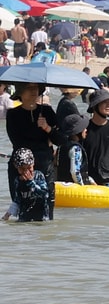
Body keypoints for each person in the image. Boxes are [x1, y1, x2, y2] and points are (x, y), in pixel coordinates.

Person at [8, 83, 63, 221]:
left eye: (36, 87)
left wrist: (47, 128)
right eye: (29, 87)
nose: (34, 90)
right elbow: (16, 142)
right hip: (21, 166)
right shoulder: (13, 114)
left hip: (45, 165)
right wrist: (25, 169)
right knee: (22, 210)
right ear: (20, 92)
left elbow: (61, 140)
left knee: (47, 210)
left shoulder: (47, 111)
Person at [3, 149, 50, 222]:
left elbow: (45, 194)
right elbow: (17, 200)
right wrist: (8, 214)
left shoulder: (39, 176)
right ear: (16, 167)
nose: (26, 172)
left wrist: (31, 182)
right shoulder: (17, 181)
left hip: (40, 217)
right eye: (22, 169)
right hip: (24, 217)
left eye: (29, 168)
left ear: (33, 164)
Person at [56, 113, 91, 184]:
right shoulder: (75, 148)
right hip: (74, 191)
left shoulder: (61, 146)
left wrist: (91, 180)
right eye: (83, 128)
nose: (86, 130)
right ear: (78, 132)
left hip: (63, 187)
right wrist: (82, 186)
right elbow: (75, 172)